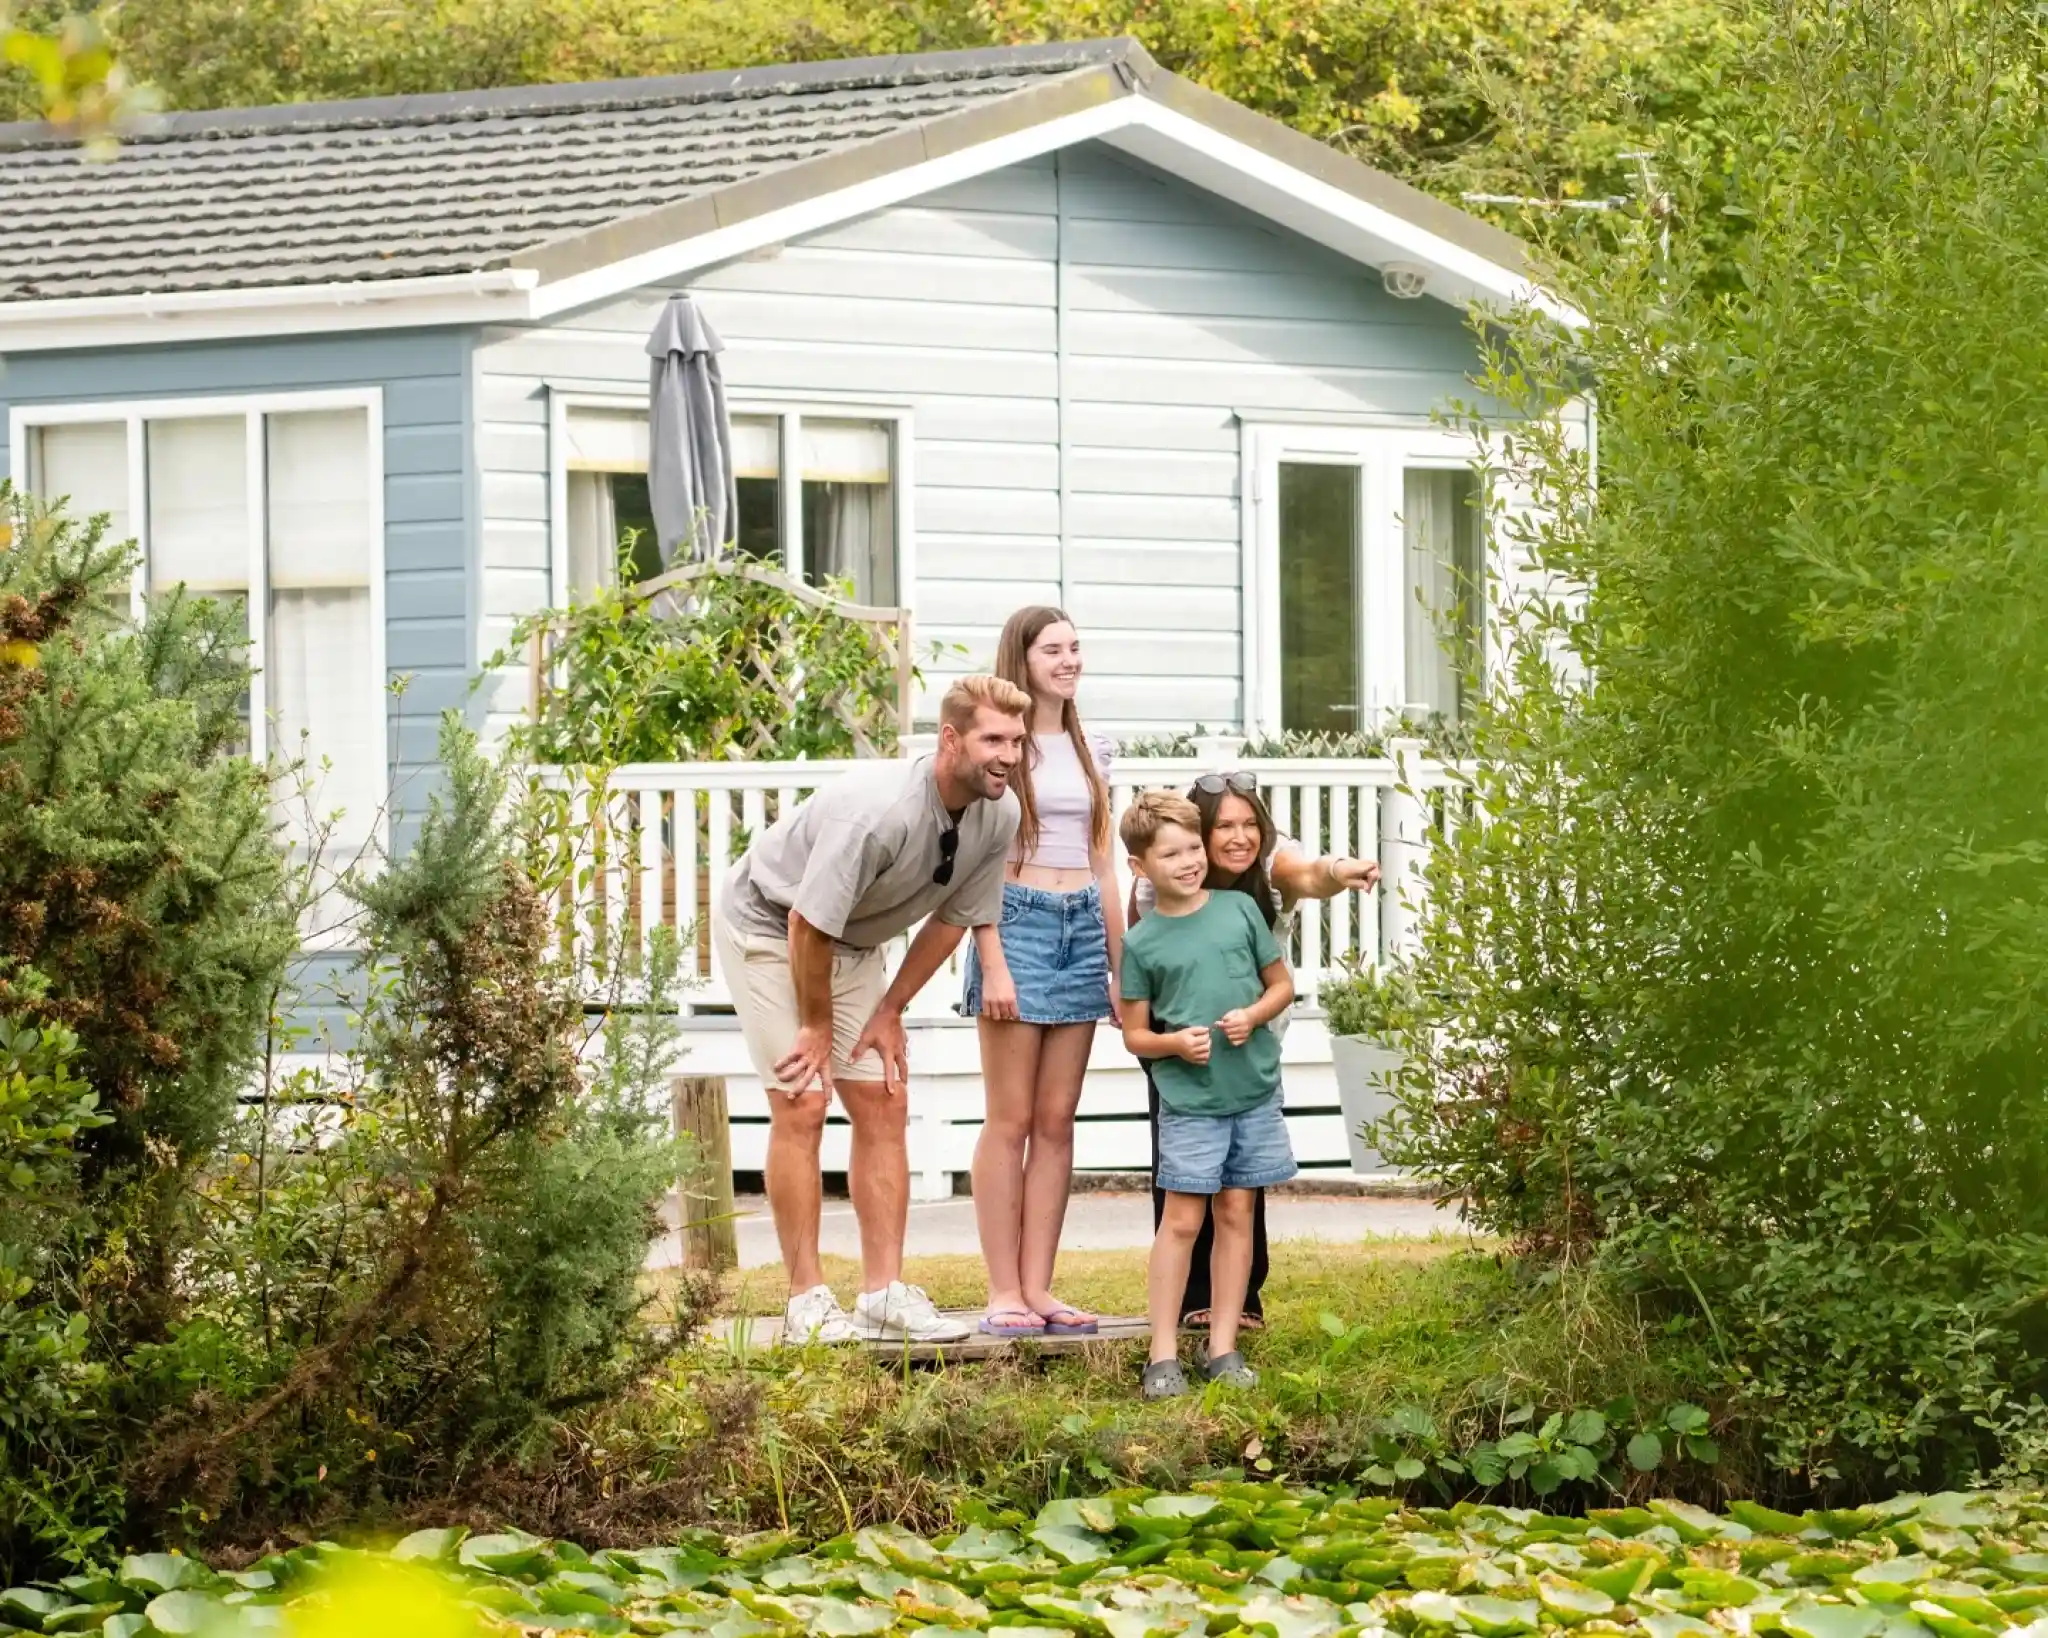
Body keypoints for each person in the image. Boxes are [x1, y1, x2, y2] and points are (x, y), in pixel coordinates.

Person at [713, 674, 1030, 1346]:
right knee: (803, 1097)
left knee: (883, 1097)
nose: (1009, 755)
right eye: (993, 739)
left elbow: (954, 920)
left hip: (851, 941)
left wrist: (890, 1009)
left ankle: (883, 1294)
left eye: (1018, 741)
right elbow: (806, 924)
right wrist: (817, 1027)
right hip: (771, 926)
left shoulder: (998, 813)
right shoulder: (878, 812)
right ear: (951, 739)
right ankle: (806, 1303)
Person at [1129, 772, 1382, 1331]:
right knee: (1182, 1172)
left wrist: (1344, 870)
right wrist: (1165, 1043)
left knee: (1244, 1177)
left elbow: (1314, 874)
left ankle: (1242, 1300)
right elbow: (1144, 965)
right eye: (1224, 826)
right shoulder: (1159, 876)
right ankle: (1190, 1296)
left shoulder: (1269, 868)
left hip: (1252, 1036)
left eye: (1250, 824)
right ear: (1199, 830)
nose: (1240, 837)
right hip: (1180, 1042)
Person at [963, 607, 1122, 1338]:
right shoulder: (1006, 747)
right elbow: (980, 862)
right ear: (1021, 660)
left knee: (1058, 1121)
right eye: (1053, 649)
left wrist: (1122, 968)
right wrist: (991, 957)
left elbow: (1104, 862)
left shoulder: (1095, 748)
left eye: (1075, 648)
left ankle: (1039, 1287)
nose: (1069, 660)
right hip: (1018, 923)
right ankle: (1002, 1291)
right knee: (1013, 1118)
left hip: (1081, 925)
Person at [1118, 791, 1296, 1399]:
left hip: (1252, 1089)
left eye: (1194, 847)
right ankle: (1161, 1351)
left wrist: (1252, 1015)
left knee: (1237, 1212)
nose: (1190, 860)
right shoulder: (1141, 943)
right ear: (1141, 868)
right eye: (1171, 854)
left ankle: (1223, 1346)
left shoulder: (1239, 912)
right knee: (1182, 1220)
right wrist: (1174, 1046)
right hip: (1191, 1102)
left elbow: (1281, 986)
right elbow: (1135, 1035)